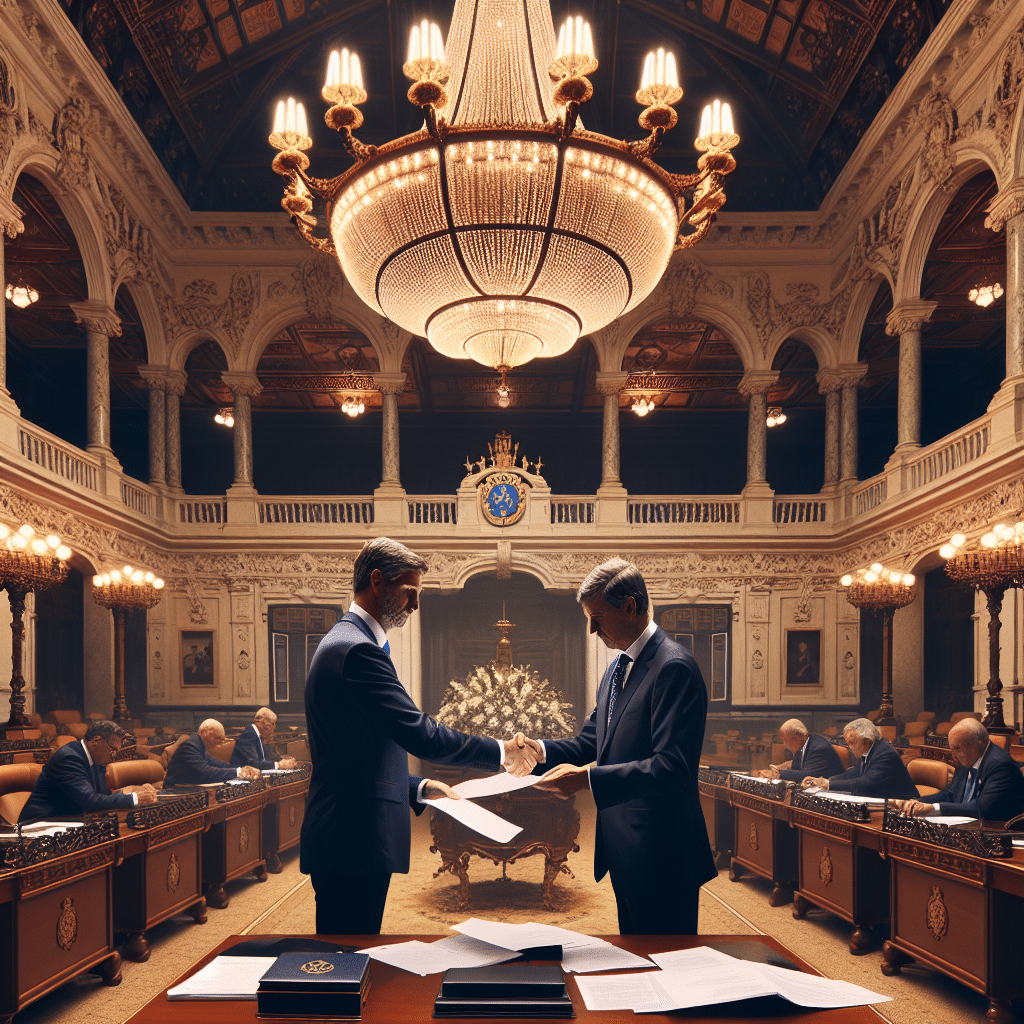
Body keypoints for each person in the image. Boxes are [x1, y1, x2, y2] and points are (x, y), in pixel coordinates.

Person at [300, 537, 537, 935]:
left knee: (354, 957)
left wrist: (421, 786)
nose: (415, 604)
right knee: (345, 960)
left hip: (350, 835)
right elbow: (421, 734)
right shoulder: (356, 650)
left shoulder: (352, 642)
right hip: (351, 839)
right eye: (410, 592)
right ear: (378, 581)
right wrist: (501, 751)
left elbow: (355, 753)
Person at [530, 558, 714, 935]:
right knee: (636, 963)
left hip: (662, 853)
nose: (591, 628)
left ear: (630, 607)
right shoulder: (617, 668)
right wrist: (538, 750)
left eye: (597, 616)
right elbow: (592, 741)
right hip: (627, 851)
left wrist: (587, 780)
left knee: (667, 972)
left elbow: (671, 767)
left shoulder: (673, 667)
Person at [20, 719, 157, 820]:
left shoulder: (96, 758)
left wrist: (132, 789)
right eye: (112, 748)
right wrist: (133, 798)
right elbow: (90, 802)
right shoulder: (69, 757)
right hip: (39, 825)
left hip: (68, 821)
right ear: (96, 740)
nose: (115, 754)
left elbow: (102, 796)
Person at [897, 718, 1024, 821]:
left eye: (958, 749)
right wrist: (916, 803)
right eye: (952, 749)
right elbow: (950, 794)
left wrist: (934, 808)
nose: (954, 755)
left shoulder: (1001, 766)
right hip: (966, 828)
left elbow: (981, 809)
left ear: (978, 743)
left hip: (997, 833)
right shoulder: (968, 756)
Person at [802, 718, 917, 799]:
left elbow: (864, 784)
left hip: (903, 806)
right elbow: (855, 773)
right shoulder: (871, 749)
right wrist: (825, 781)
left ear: (867, 739)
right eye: (848, 743)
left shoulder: (885, 753)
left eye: (853, 742)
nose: (850, 748)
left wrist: (828, 784)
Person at [164, 719, 260, 785]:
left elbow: (217, 764)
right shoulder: (190, 746)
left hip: (188, 790)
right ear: (208, 734)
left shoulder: (199, 745)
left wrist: (242, 769)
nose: (219, 743)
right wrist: (238, 772)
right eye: (219, 739)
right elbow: (206, 772)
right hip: (176, 793)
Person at [761, 719, 844, 782]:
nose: (785, 745)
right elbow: (796, 768)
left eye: (786, 740)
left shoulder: (818, 748)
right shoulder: (803, 744)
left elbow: (808, 775)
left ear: (799, 737)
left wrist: (778, 773)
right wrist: (778, 768)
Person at [231, 707, 297, 771]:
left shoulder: (257, 736)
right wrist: (279, 765)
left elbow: (269, 755)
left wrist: (285, 761)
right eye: (272, 724)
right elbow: (253, 764)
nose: (272, 729)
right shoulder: (248, 735)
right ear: (260, 721)